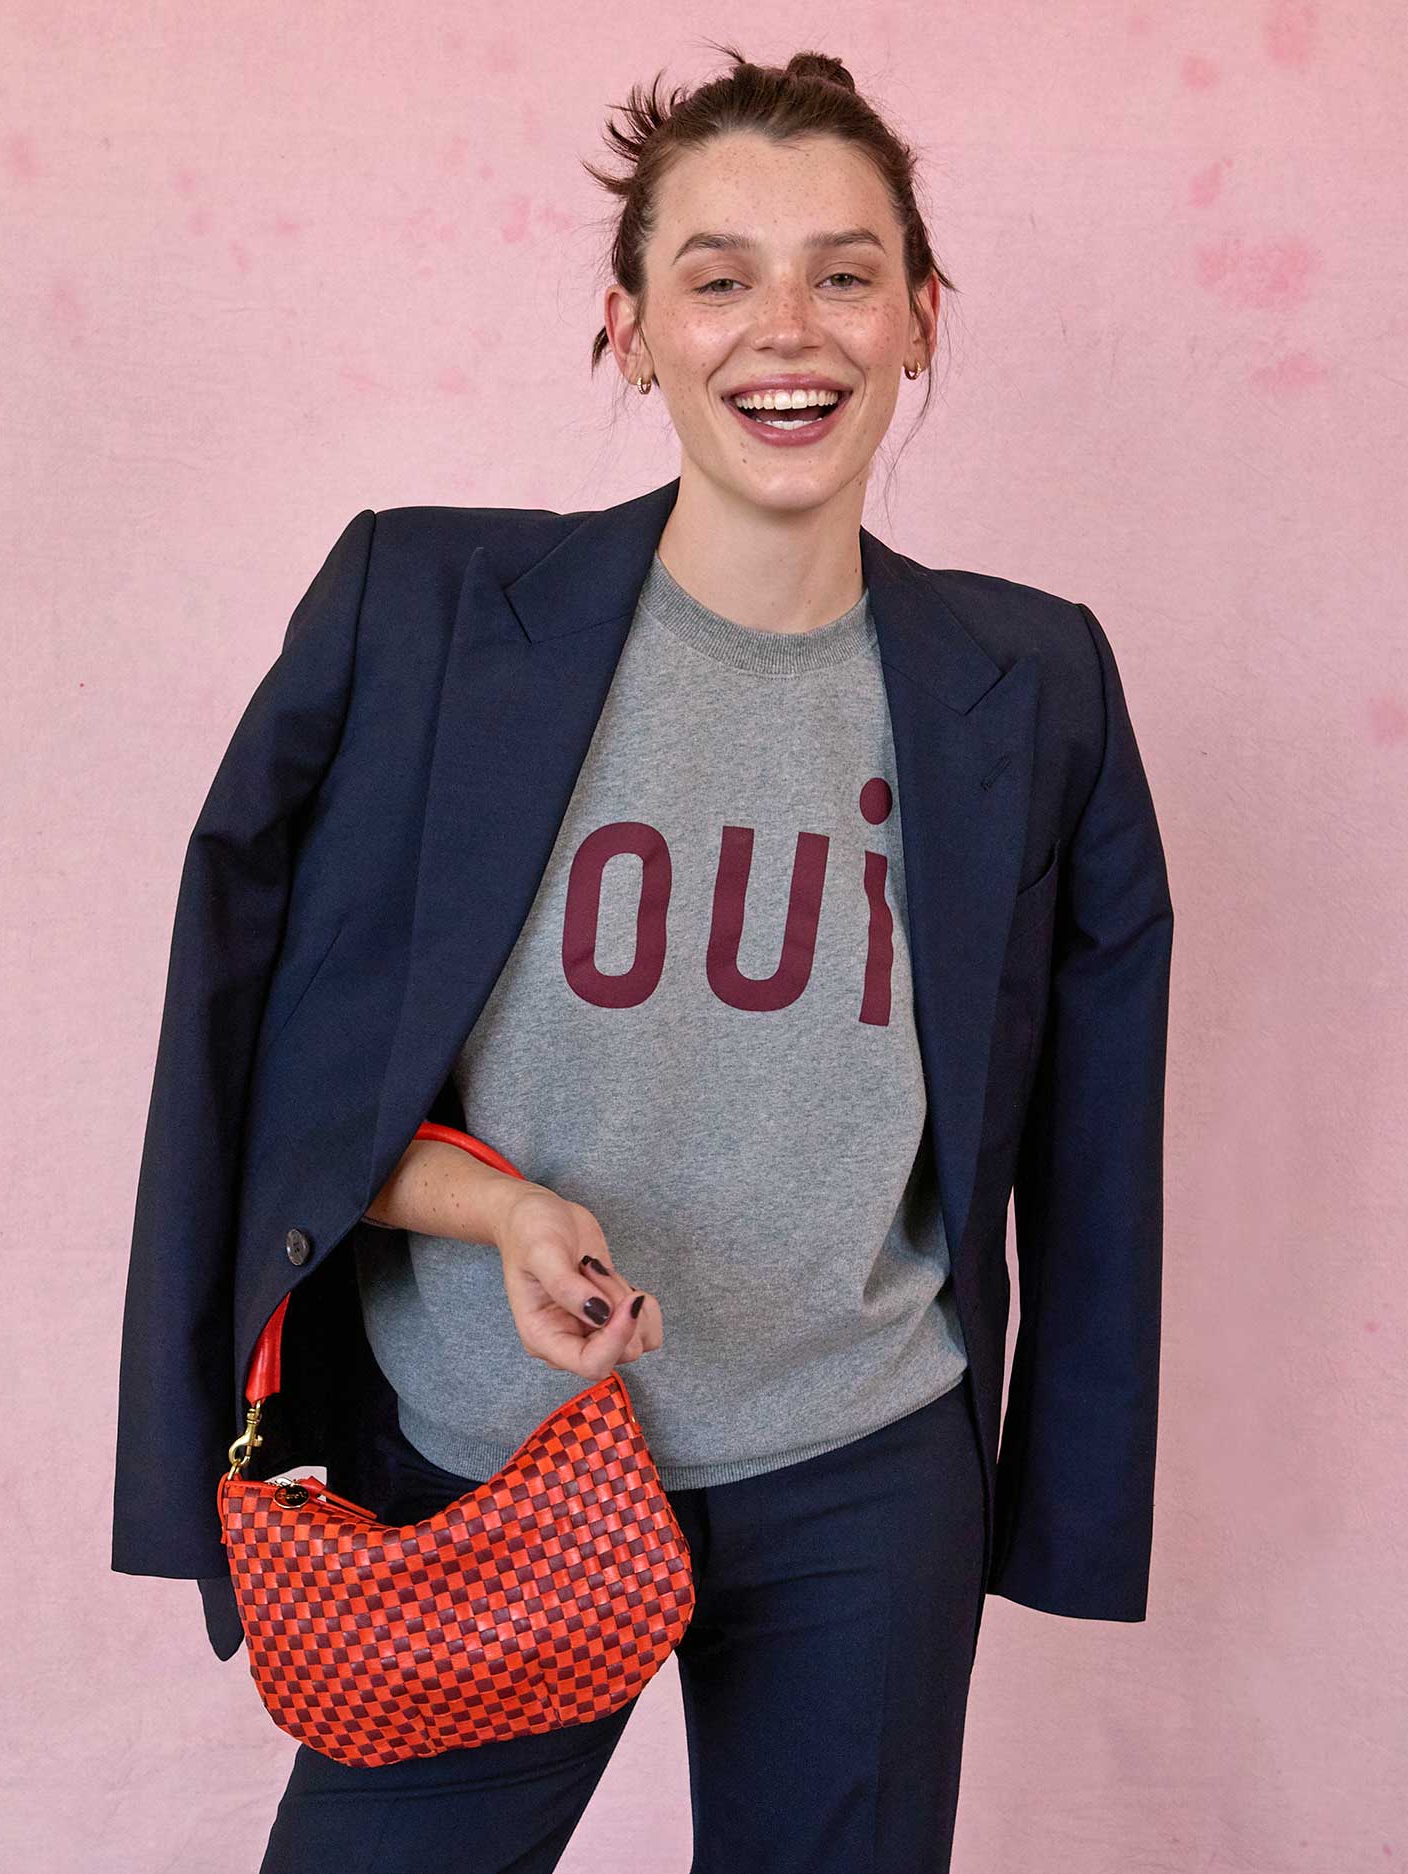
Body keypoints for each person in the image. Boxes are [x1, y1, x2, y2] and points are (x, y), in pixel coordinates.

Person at [111, 44, 1174, 1874]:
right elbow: (277, 1049)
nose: (792, 328)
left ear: (921, 320)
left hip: (860, 1460)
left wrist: (1059, 1496)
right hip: (487, 1448)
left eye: (847, 273)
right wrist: (496, 1216)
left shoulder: (1035, 682)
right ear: (631, 328)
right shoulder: (424, 617)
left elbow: (1092, 1122)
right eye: (720, 275)